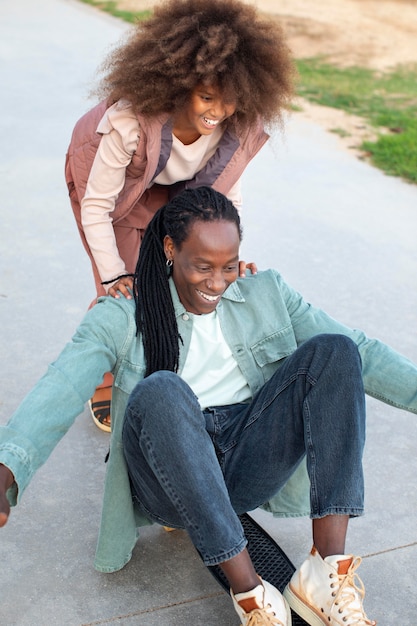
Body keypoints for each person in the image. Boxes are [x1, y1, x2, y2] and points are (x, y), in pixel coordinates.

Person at [1, 187, 416, 625]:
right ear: (169, 248)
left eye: (229, 266)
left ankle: (325, 572)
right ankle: (252, 595)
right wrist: (7, 468)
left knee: (336, 350)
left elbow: (363, 352)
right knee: (163, 389)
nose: (217, 282)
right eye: (203, 266)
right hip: (168, 481)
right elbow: (61, 385)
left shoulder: (266, 291)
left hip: (245, 463)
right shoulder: (124, 313)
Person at [65, 0, 295, 431]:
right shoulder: (129, 123)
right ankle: (108, 378)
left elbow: (228, 201)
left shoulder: (234, 123)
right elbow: (96, 208)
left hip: (173, 191)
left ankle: (166, 369)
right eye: (206, 97)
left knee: (183, 275)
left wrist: (228, 260)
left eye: (228, 101)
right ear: (177, 86)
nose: (217, 112)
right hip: (110, 188)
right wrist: (115, 276)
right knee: (128, 292)